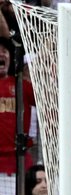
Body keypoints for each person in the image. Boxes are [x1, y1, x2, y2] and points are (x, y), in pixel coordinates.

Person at [0, 36, 36, 174]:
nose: (1, 53)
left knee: (25, 194)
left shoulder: (20, 84)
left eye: (5, 51)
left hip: (19, 157)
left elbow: (45, 102)